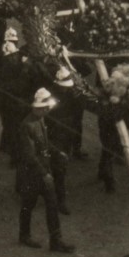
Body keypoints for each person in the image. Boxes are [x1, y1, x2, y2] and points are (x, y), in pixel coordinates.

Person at [14, 89, 75, 253]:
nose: (48, 110)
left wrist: (58, 152)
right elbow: (29, 155)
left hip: (41, 170)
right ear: (39, 108)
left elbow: (45, 144)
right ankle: (24, 235)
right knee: (28, 205)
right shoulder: (27, 125)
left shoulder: (39, 120)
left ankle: (56, 240)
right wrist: (45, 173)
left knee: (52, 205)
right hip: (32, 174)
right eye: (46, 107)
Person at [47, 68, 83, 216]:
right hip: (53, 135)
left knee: (61, 166)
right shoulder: (49, 95)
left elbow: (77, 115)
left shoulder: (72, 95)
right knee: (58, 168)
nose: (65, 89)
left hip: (66, 135)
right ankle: (60, 201)